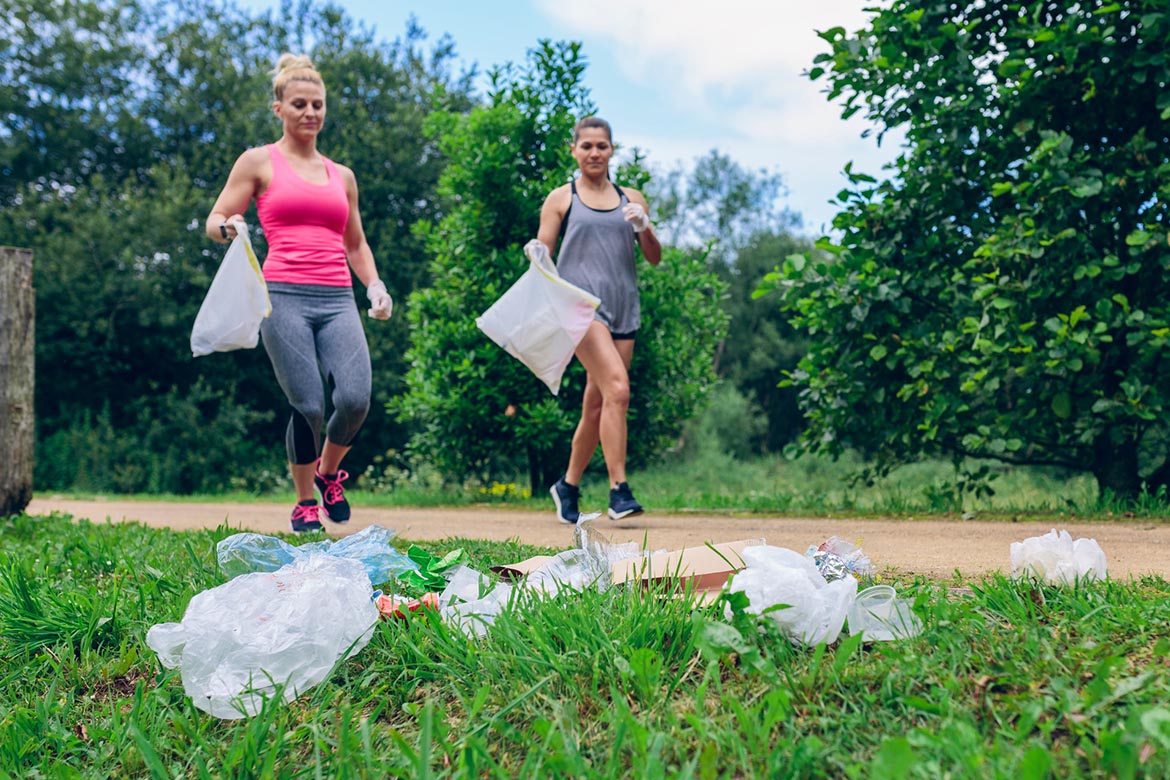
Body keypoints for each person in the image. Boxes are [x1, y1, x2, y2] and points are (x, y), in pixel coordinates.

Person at [205, 53, 393, 534]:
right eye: (300, 104)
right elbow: (215, 219)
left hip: (336, 299)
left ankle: (330, 474)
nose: (310, 113)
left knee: (354, 398)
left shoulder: (342, 175)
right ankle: (305, 500)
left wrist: (374, 284)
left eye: (318, 105)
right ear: (279, 109)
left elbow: (355, 242)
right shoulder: (258, 161)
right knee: (308, 405)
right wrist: (229, 227)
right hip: (283, 295)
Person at [532, 116, 662, 524]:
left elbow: (655, 257)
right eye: (586, 146)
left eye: (601, 146)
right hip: (581, 310)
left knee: (597, 403)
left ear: (611, 150)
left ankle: (567, 485)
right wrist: (537, 253)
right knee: (618, 390)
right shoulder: (561, 198)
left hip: (624, 308)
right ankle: (618, 490)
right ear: (574, 150)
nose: (594, 153)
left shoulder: (631, 198)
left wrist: (644, 227)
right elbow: (544, 253)